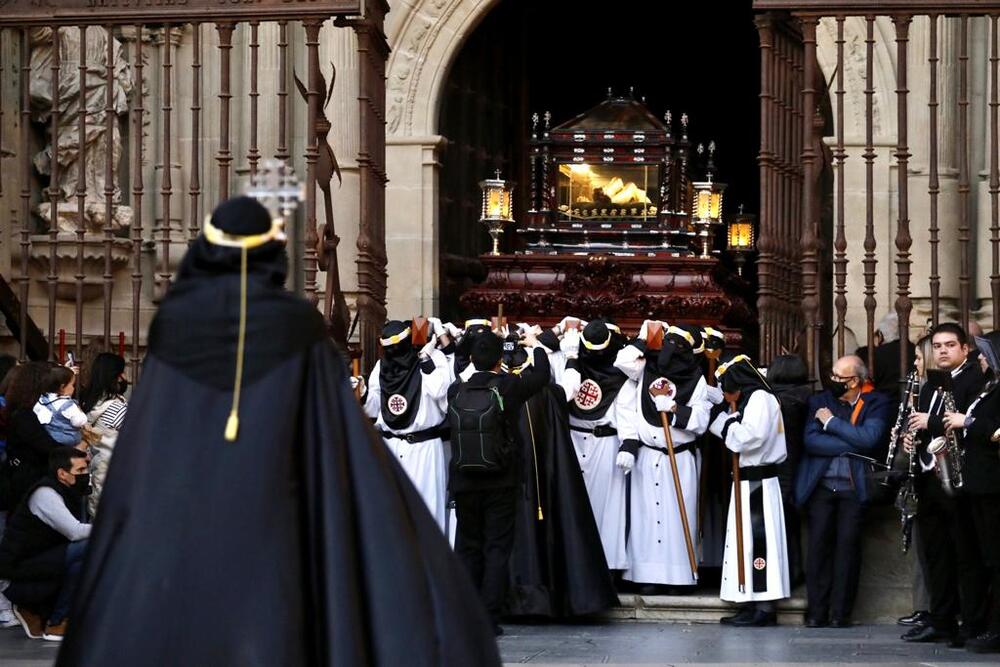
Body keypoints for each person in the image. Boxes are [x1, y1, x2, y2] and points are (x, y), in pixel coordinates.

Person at [56, 196, 501, 666]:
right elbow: (333, 436)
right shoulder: (294, 324)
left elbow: (152, 429)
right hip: (277, 506)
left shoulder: (176, 324)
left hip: (180, 504)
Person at [500, 335, 617, 618]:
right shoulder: (549, 393)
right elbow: (571, 387)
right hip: (546, 484)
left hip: (507, 482)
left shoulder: (496, 390)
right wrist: (551, 349)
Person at [447, 330, 549, 634]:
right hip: (500, 479)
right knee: (496, 548)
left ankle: (465, 614)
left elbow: (460, 362)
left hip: (464, 479)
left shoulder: (456, 390)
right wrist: (536, 345)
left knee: (468, 547)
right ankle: (488, 617)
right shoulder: (509, 386)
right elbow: (542, 375)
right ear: (498, 361)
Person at [902, 322, 987, 647]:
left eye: (950, 345)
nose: (942, 351)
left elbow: (969, 422)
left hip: (959, 481)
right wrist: (914, 439)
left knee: (965, 555)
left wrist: (931, 422)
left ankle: (971, 622)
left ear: (965, 349)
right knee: (937, 555)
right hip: (930, 478)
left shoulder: (973, 380)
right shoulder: (931, 384)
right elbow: (924, 426)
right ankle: (941, 620)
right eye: (937, 346)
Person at [614, 323, 711, 593]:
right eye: (669, 342)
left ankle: (679, 577)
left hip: (678, 458)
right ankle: (647, 575)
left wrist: (675, 409)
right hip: (647, 455)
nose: (671, 351)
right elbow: (622, 362)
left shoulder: (696, 379)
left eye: (679, 346)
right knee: (647, 516)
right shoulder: (646, 366)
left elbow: (702, 421)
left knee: (678, 519)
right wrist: (644, 337)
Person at [796, 355, 891, 628]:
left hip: (854, 486)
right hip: (822, 487)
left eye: (840, 377)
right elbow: (811, 441)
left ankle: (840, 614)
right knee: (817, 550)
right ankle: (817, 612)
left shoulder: (876, 402)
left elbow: (872, 439)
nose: (834, 381)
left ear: (856, 380)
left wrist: (831, 425)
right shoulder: (820, 401)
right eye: (833, 375)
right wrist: (852, 440)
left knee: (848, 551)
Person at [709, 355, 790, 627]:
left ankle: (764, 607)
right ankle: (749, 600)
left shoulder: (760, 399)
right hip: (746, 483)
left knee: (759, 542)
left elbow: (750, 438)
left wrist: (726, 424)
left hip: (759, 484)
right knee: (746, 542)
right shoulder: (752, 399)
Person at [544, 318, 629, 572]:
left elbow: (627, 410)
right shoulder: (569, 358)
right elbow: (539, 349)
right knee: (572, 504)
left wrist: (629, 445)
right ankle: (573, 563)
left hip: (606, 441)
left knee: (608, 507)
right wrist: (560, 330)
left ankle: (607, 566)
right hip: (572, 438)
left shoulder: (621, 368)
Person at [940, 331, 1000, 653]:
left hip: (993, 485)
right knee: (981, 558)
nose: (980, 358)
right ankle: (982, 624)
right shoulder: (989, 388)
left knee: (994, 559)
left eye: (985, 353)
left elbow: (993, 430)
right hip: (978, 484)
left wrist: (968, 421)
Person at [364, 319, 452, 531]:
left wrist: (426, 362)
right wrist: (363, 394)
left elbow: (442, 394)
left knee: (427, 513)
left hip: (424, 448)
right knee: (392, 516)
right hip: (392, 447)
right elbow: (374, 409)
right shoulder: (381, 367)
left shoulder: (434, 357)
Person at [0, 447, 90, 642]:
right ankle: (47, 616)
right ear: (62, 474)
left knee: (81, 565)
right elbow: (75, 532)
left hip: (43, 560)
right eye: (80, 471)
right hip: (19, 568)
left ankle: (58, 621)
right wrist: (107, 526)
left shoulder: (72, 492)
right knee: (89, 546)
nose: (86, 475)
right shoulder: (45, 494)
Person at [897, 334, 934, 630]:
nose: (915, 364)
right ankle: (924, 608)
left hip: (935, 477)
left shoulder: (936, 391)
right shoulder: (915, 391)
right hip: (916, 480)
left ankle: (935, 610)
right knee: (918, 547)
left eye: (920, 358)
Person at [765, 353, 811, 589]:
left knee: (779, 522)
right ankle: (793, 571)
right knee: (789, 522)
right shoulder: (806, 397)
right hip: (800, 463)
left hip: (780, 466)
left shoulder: (776, 401)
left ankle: (788, 573)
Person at [1, 362, 66, 511]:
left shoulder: (20, 411)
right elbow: (45, 445)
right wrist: (74, 449)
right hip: (27, 480)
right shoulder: (24, 415)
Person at [78, 353, 128, 516]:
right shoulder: (118, 407)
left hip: (94, 467)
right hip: (115, 471)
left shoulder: (87, 401)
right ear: (117, 376)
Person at [856, 312, 915, 397]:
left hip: (882, 402)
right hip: (908, 400)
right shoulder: (915, 350)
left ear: (881, 335)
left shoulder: (877, 354)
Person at [33, 365, 88, 448]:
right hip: (69, 440)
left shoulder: (42, 400)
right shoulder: (67, 405)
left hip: (50, 437)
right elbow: (80, 421)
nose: (73, 388)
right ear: (62, 387)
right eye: (72, 385)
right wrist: (80, 411)